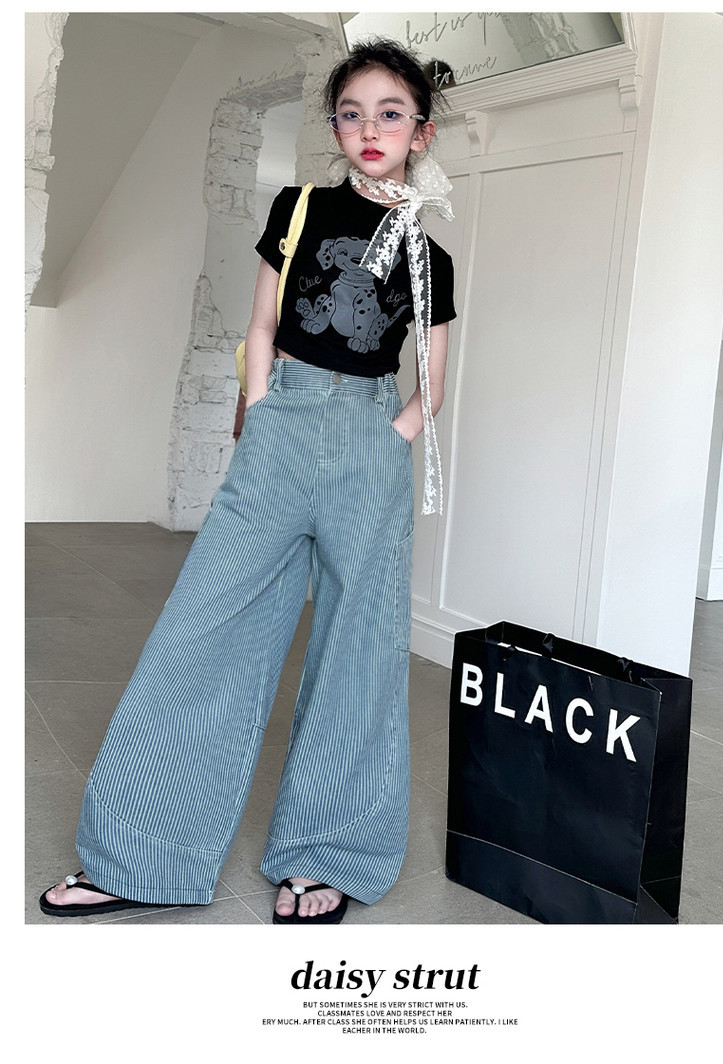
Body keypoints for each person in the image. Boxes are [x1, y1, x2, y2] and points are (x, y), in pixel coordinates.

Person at [40, 37, 457, 924]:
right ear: (335, 127)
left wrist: (391, 440)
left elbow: (432, 377)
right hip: (283, 426)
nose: (370, 128)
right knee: (203, 627)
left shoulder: (431, 258)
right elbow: (262, 322)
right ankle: (138, 854)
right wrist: (263, 407)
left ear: (421, 132)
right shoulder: (298, 207)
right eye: (351, 113)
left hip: (369, 441)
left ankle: (325, 854)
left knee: (359, 654)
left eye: (390, 114)